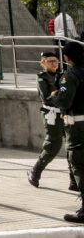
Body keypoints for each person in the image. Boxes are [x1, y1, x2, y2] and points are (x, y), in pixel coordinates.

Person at [28, 51, 77, 190]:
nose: (54, 64)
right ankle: (35, 171)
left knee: (72, 146)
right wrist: (61, 96)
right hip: (52, 115)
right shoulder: (42, 78)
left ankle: (73, 180)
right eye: (50, 61)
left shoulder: (64, 75)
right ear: (42, 63)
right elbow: (47, 97)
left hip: (66, 113)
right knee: (53, 145)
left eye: (56, 61)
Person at [48, 40, 84, 223]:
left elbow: (64, 102)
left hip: (78, 127)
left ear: (67, 58)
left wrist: (54, 97)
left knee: (78, 163)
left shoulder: (70, 76)